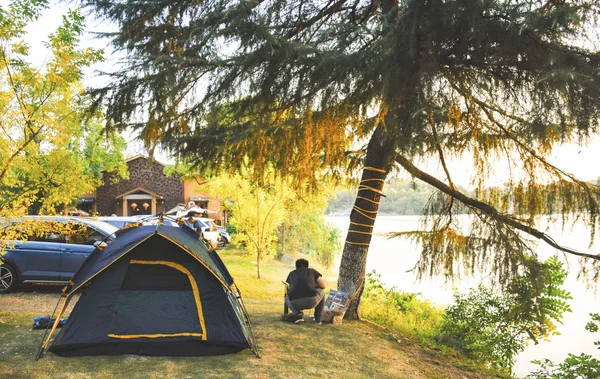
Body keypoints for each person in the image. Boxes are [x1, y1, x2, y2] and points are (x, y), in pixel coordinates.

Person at [285, 258, 326, 324]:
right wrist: (314, 286)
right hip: (311, 301)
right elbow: (323, 285)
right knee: (322, 291)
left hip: (294, 303)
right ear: (307, 266)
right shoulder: (312, 271)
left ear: (296, 266)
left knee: (287, 297)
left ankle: (298, 315)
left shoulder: (291, 273)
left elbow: (289, 288)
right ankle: (318, 319)